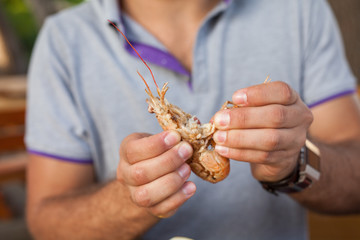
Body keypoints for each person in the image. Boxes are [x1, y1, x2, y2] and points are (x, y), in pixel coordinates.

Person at [25, 0, 360, 239]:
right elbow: (45, 223)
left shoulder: (300, 8)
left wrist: (294, 162)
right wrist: (130, 199)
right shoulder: (63, 41)